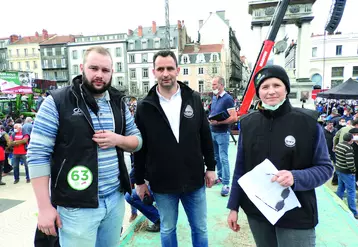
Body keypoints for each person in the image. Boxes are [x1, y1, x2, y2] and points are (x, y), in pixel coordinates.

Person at [27, 46, 142, 247]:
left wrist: (118, 140)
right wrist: (44, 207)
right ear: (82, 67)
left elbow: (137, 141)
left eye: (105, 70)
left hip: (114, 199)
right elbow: (37, 155)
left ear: (112, 72)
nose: (99, 75)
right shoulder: (58, 101)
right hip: (76, 206)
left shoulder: (118, 102)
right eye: (93, 68)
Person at [227, 65, 333, 247]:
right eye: (265, 87)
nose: (271, 91)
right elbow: (240, 169)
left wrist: (295, 177)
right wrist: (233, 206)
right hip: (258, 212)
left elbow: (325, 168)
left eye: (276, 85)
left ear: (286, 88)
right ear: (258, 92)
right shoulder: (248, 124)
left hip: (297, 213)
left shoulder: (308, 123)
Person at [134, 50, 216, 247]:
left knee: (200, 228)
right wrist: (139, 181)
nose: (165, 73)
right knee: (168, 228)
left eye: (170, 68)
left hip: (193, 179)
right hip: (162, 182)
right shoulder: (145, 106)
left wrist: (211, 167)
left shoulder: (193, 99)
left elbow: (205, 136)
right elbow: (139, 147)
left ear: (178, 70)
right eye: (160, 69)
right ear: (154, 72)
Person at [209, 76, 237, 196]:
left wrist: (219, 122)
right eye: (212, 85)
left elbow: (234, 117)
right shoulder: (214, 98)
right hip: (213, 132)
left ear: (221, 85)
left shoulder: (227, 99)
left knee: (224, 158)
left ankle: (226, 183)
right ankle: (220, 177)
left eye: (215, 84)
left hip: (222, 133)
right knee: (216, 157)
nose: (213, 87)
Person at [334, 133, 358, 218]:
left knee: (340, 188)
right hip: (347, 172)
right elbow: (350, 163)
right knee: (351, 191)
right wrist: (354, 171)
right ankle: (354, 212)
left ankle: (337, 204)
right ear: (350, 140)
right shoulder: (349, 148)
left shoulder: (339, 144)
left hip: (339, 169)